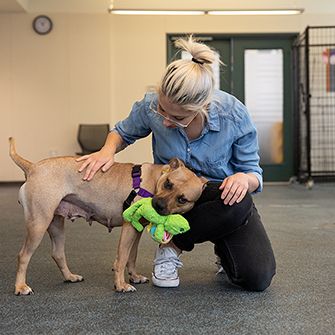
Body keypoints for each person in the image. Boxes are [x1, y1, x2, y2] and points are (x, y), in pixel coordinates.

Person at [76, 36, 276, 291]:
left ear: (202, 107)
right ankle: (169, 249)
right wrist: (107, 150)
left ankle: (188, 241)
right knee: (188, 202)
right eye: (162, 110)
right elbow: (122, 132)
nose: (166, 121)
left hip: (217, 198)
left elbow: (254, 173)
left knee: (256, 277)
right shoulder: (150, 106)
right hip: (170, 198)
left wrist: (244, 179)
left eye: (178, 117)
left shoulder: (233, 114)